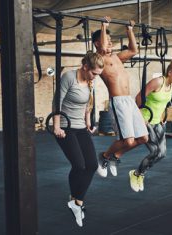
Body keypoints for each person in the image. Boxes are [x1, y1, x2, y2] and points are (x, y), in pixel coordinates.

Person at [92, 16, 149, 178]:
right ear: (97, 43)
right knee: (128, 141)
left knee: (143, 138)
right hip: (118, 102)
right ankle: (103, 156)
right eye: (107, 40)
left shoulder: (117, 57)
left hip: (129, 101)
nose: (110, 42)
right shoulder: (100, 59)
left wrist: (129, 31)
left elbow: (133, 50)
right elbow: (103, 47)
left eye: (111, 40)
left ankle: (115, 157)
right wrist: (103, 25)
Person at [52, 52, 104, 227]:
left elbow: (87, 104)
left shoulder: (90, 81)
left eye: (98, 74)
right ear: (85, 67)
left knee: (92, 165)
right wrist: (56, 126)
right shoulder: (69, 77)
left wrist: (88, 123)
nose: (96, 77)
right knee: (79, 165)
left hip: (81, 127)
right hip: (66, 128)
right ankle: (77, 202)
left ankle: (75, 200)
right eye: (94, 73)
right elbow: (56, 102)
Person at [128, 61, 172, 192]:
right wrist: (140, 117)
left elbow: (163, 104)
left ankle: (139, 173)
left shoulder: (171, 85)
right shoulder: (158, 82)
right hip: (146, 121)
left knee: (162, 154)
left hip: (157, 122)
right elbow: (138, 98)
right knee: (155, 151)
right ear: (170, 73)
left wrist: (162, 118)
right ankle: (137, 174)